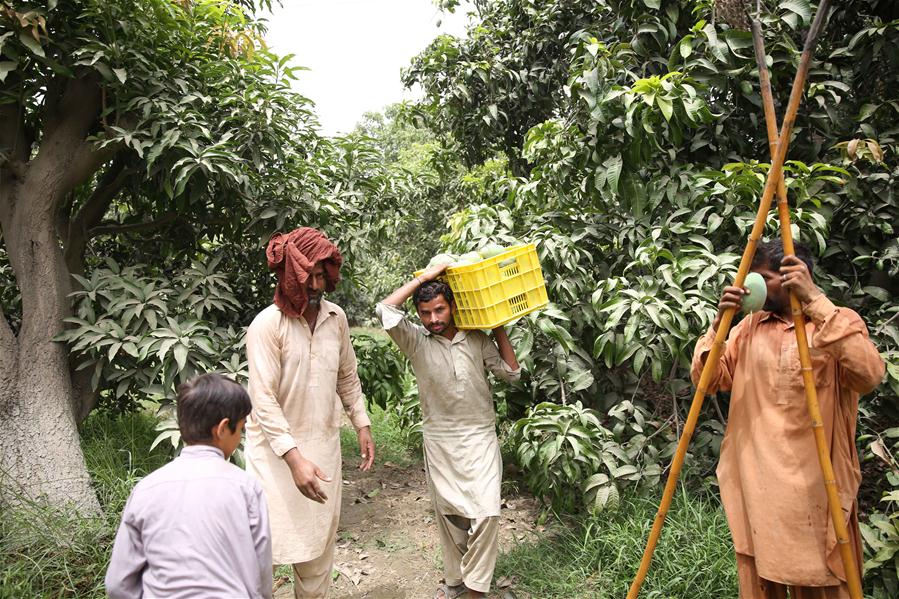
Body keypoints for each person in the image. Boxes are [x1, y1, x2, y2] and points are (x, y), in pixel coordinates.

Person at [692, 240, 885, 599]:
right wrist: (720, 323)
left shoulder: (835, 321)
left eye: (764, 278)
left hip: (817, 489)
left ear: (794, 277)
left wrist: (815, 301)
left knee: (827, 579)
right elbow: (708, 381)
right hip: (757, 486)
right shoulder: (748, 328)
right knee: (761, 581)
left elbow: (869, 375)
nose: (754, 287)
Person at [376, 263, 521, 599]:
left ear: (453, 306)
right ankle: (456, 583)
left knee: (487, 512)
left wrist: (498, 326)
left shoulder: (477, 339)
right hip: (440, 439)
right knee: (452, 517)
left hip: (480, 436)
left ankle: (475, 591)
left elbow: (511, 373)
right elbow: (385, 310)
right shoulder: (415, 340)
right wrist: (424, 277)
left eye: (440, 309)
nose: (433, 319)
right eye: (425, 313)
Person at [245, 227, 374, 599]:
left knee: (318, 551)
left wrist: (361, 422)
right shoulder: (267, 325)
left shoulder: (337, 318)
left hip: (322, 448)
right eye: (309, 276)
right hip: (273, 459)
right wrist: (294, 458)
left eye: (321, 275)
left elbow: (347, 375)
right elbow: (263, 400)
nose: (316, 285)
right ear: (290, 276)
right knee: (262, 556)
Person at [106, 373, 272, 599]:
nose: (241, 436)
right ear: (223, 428)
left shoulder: (146, 489)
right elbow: (261, 576)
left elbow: (118, 585)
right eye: (241, 428)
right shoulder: (246, 487)